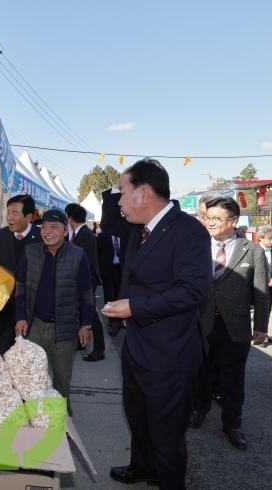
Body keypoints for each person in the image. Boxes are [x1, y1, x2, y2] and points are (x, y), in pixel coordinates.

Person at [101, 158, 211, 489]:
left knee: (166, 434)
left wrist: (134, 307)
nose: (118, 200)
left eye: (123, 192)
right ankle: (142, 467)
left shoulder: (188, 231)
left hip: (168, 354)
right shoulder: (139, 228)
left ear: (144, 193)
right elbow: (110, 223)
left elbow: (194, 291)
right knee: (139, 418)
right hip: (136, 348)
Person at [190, 197, 269, 450]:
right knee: (199, 372)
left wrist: (261, 327)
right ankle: (198, 410)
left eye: (216, 218)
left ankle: (232, 423)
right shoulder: (197, 246)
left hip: (235, 326)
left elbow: (261, 292)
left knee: (232, 378)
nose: (209, 223)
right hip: (201, 323)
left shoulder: (252, 250)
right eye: (207, 218)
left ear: (233, 221)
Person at [14, 209, 92, 415]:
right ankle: (33, 418)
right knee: (31, 376)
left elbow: (86, 293)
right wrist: (20, 317)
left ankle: (61, 424)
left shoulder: (77, 255)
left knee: (61, 379)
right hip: (35, 326)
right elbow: (20, 286)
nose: (47, 231)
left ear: (65, 231)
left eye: (54, 227)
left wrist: (86, 324)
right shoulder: (30, 252)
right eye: (44, 226)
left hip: (64, 329)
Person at [0, 195, 41, 355]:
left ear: (29, 217)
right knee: (3, 349)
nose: (9, 217)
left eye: (15, 213)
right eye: (8, 212)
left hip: (32, 307)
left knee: (28, 355)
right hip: (5, 305)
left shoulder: (41, 238)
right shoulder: (0, 236)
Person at [66, 203, 105, 362]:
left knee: (91, 315)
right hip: (83, 279)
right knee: (82, 312)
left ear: (70, 218)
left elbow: (83, 261)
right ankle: (81, 342)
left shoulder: (85, 235)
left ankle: (99, 349)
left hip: (86, 280)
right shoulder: (81, 233)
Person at [257, 226, 272, 346]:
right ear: (261, 238)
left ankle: (264, 333)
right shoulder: (253, 249)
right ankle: (258, 334)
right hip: (256, 286)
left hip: (271, 286)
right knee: (259, 310)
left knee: (267, 310)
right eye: (270, 238)